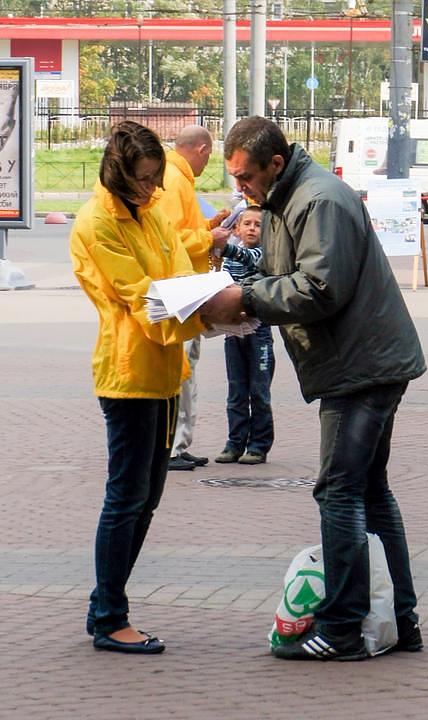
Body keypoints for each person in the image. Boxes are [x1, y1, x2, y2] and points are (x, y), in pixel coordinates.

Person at [201, 116, 426, 662]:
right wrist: (238, 284)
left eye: (246, 176)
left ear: (275, 164)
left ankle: (344, 628)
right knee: (369, 492)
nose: (240, 188)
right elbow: (292, 275)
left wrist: (247, 301)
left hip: (362, 368)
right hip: (364, 362)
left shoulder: (317, 199)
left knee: (340, 492)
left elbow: (321, 287)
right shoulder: (289, 197)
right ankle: (400, 620)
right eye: (234, 177)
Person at [70, 121, 205, 655]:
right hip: (128, 375)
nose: (153, 190)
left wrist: (202, 293)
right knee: (126, 497)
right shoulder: (97, 222)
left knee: (146, 497)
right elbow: (142, 296)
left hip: (165, 372)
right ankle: (109, 616)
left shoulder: (147, 212)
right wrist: (204, 308)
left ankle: (106, 600)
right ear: (118, 173)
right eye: (145, 180)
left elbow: (177, 272)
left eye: (156, 180)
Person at [157, 125, 230, 471]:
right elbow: (169, 239)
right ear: (201, 149)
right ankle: (172, 446)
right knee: (182, 369)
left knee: (187, 368)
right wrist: (207, 237)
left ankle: (179, 443)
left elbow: (180, 228)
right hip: (179, 292)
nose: (208, 163)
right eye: (209, 155)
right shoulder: (174, 179)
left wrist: (206, 226)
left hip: (185, 290)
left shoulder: (177, 177)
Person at [214, 205, 275, 465]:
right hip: (233, 333)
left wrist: (221, 246)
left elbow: (249, 258)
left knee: (259, 391)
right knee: (236, 390)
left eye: (258, 225)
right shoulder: (229, 260)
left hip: (258, 333)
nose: (252, 228)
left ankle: (259, 445)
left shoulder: (266, 254)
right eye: (247, 224)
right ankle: (234, 443)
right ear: (237, 228)